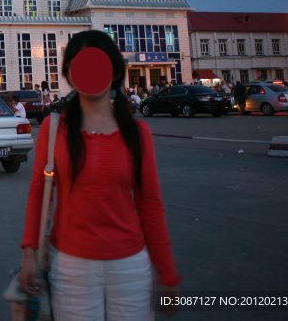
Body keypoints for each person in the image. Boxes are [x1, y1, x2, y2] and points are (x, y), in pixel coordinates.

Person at [20, 30, 181, 320]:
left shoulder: (138, 133)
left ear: (115, 70)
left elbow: (150, 205)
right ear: (69, 72)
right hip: (70, 266)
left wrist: (167, 273)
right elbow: (39, 192)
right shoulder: (54, 128)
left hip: (131, 268)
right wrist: (29, 253)